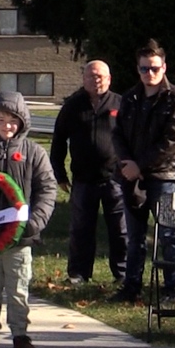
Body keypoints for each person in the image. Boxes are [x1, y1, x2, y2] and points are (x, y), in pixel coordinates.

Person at [0, 91, 57, 348]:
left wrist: (35, 222)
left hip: (20, 237)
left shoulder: (33, 152)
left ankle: (20, 334)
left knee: (18, 288)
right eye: (1, 119)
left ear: (22, 122)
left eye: (13, 120)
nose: (7, 126)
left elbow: (47, 189)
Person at [110, 40, 175, 304]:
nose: (149, 73)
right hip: (132, 175)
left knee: (168, 233)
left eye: (154, 68)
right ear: (138, 69)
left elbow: (171, 141)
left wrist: (139, 165)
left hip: (162, 176)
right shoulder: (130, 98)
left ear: (164, 67)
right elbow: (118, 133)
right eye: (144, 68)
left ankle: (170, 288)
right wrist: (126, 163)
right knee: (134, 236)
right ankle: (132, 287)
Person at [51, 60, 127, 285]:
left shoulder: (120, 104)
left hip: (116, 178)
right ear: (83, 79)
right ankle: (78, 274)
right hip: (83, 179)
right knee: (81, 229)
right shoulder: (73, 106)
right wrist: (60, 173)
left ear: (109, 78)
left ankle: (122, 274)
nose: (96, 80)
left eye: (100, 76)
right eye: (91, 76)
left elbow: (131, 138)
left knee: (120, 230)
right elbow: (58, 140)